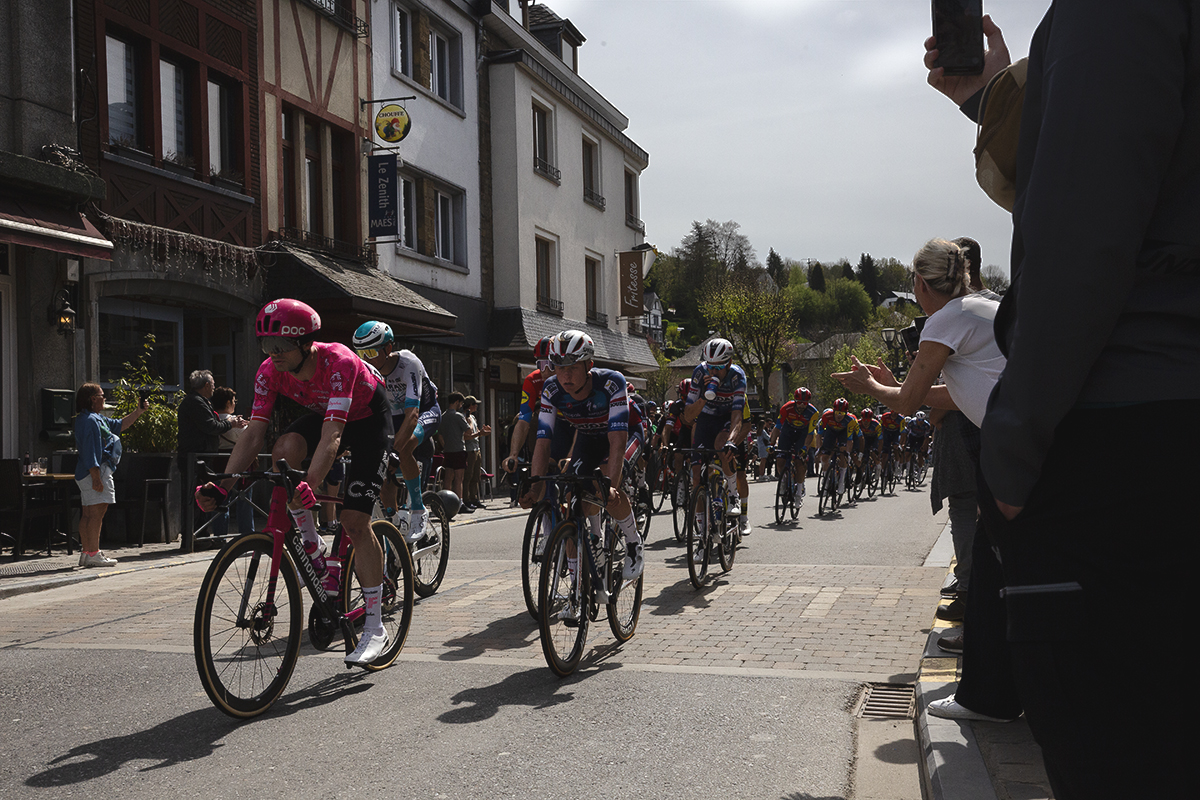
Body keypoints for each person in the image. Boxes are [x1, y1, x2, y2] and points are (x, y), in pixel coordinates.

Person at [926, 7, 1199, 797]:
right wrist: (992, 97)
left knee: (1123, 752)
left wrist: (1014, 446)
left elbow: (1082, 224)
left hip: (1133, 431)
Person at [833, 238, 1017, 728]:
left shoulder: (943, 320)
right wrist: (894, 381)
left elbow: (910, 401)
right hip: (1027, 439)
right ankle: (1013, 687)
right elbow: (959, 392)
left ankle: (987, 697)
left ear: (918, 283)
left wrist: (875, 387)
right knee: (1004, 568)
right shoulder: (985, 304)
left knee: (993, 573)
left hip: (1009, 450)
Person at [196, 299, 393, 667]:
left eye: (279, 347)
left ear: (306, 344)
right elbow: (254, 433)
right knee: (283, 449)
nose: (272, 355)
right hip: (326, 415)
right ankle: (311, 539)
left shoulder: (339, 362)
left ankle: (375, 626)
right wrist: (224, 486)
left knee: (354, 521)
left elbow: (333, 436)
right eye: (265, 347)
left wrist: (312, 483)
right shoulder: (270, 372)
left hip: (367, 421)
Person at [518, 330, 644, 584]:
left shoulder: (611, 383)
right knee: (571, 497)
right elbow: (543, 442)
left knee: (606, 491)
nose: (565, 375)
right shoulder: (552, 389)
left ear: (589, 365)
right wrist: (535, 484)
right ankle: (587, 560)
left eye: (573, 367)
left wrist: (611, 485)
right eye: (559, 367)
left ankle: (633, 544)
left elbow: (617, 443)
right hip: (589, 436)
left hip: (625, 434)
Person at [352, 321, 440, 541]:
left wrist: (393, 451)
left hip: (423, 412)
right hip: (392, 418)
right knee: (382, 473)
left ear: (388, 348)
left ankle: (419, 509)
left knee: (403, 448)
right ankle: (393, 525)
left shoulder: (408, 363)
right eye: (360, 353)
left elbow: (412, 415)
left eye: (371, 352)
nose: (366, 359)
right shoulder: (363, 371)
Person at [72, 383, 148, 567]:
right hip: (95, 472)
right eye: (102, 395)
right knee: (96, 513)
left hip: (87, 472)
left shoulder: (93, 418)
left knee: (88, 512)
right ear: (93, 399)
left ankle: (87, 553)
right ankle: (94, 553)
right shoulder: (91, 421)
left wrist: (138, 411)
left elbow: (120, 425)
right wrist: (97, 477)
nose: (104, 398)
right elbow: (90, 450)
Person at [682, 338, 747, 531]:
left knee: (721, 446)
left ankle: (734, 495)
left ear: (728, 363)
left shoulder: (737, 376)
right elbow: (687, 416)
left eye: (717, 367)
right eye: (709, 366)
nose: (712, 372)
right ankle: (702, 533)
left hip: (726, 417)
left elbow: (737, 416)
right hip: (706, 419)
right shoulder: (699, 373)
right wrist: (704, 396)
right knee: (696, 476)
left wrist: (731, 441)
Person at [177, 370, 247, 539]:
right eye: (213, 384)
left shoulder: (201, 402)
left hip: (202, 458)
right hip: (194, 458)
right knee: (195, 497)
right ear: (207, 385)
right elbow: (211, 426)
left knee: (202, 496)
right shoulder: (195, 402)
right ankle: (193, 536)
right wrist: (230, 424)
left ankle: (200, 535)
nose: (214, 388)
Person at [211, 385, 255, 535]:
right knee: (245, 501)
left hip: (218, 464)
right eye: (234, 401)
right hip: (238, 462)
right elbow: (249, 439)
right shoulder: (234, 422)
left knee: (220, 500)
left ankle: (219, 535)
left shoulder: (213, 421)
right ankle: (247, 534)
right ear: (228, 403)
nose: (235, 403)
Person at [439, 392, 470, 502]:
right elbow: (468, 430)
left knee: (448, 477)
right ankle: (459, 501)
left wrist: (445, 445)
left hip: (448, 450)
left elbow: (440, 435)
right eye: (460, 403)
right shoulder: (458, 416)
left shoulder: (443, 416)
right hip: (458, 449)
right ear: (457, 402)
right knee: (459, 478)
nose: (461, 406)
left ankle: (446, 501)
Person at [462, 396, 491, 509]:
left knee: (476, 475)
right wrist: (479, 434)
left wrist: (483, 432)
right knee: (468, 476)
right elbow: (466, 436)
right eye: (475, 404)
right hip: (468, 450)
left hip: (476, 448)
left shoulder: (473, 417)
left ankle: (474, 497)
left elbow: (476, 432)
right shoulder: (463, 418)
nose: (477, 406)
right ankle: (466, 498)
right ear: (470, 406)